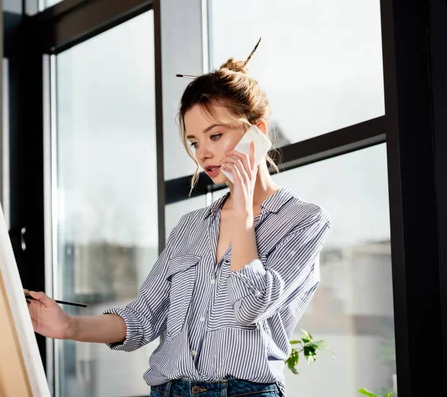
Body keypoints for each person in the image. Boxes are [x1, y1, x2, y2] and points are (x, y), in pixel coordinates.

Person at [26, 48, 331, 397]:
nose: (202, 153)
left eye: (215, 135)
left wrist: (244, 213)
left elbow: (251, 307)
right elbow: (142, 318)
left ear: (257, 132)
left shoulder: (304, 220)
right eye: (194, 141)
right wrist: (68, 326)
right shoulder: (190, 227)